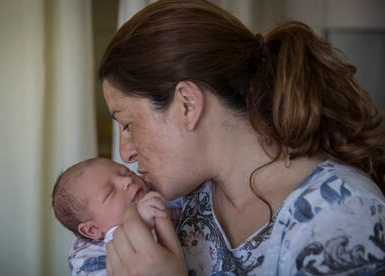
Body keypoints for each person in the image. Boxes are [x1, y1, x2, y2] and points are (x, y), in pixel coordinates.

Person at [70, 0, 385, 275]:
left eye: (127, 124)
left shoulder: (342, 214)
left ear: (187, 105)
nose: (126, 153)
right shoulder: (175, 200)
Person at [52, 157, 179, 275]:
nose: (127, 180)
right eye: (110, 192)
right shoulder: (90, 254)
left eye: (126, 172)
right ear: (93, 229)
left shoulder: (152, 188)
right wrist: (143, 222)